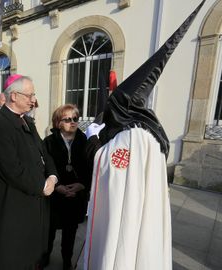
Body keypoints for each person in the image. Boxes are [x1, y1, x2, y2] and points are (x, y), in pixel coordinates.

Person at [83, 3, 204, 269]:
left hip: (128, 215)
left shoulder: (133, 136)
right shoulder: (150, 131)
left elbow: (109, 168)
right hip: (141, 213)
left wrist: (93, 138)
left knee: (124, 249)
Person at [0, 74, 58, 269]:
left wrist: (52, 175)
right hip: (13, 205)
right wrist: (41, 186)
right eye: (30, 95)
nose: (33, 100)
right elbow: (12, 169)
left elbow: (44, 152)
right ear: (14, 96)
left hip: (34, 200)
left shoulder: (27, 121)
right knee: (12, 257)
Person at [41, 105, 90, 270]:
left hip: (76, 196)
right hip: (54, 196)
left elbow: (92, 168)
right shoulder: (48, 142)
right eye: (67, 119)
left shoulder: (86, 142)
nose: (73, 122)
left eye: (75, 118)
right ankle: (45, 255)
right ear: (58, 122)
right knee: (49, 231)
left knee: (71, 232)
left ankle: (67, 260)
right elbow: (43, 168)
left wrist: (82, 185)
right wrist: (57, 187)